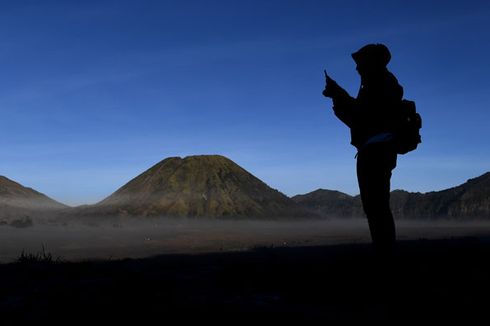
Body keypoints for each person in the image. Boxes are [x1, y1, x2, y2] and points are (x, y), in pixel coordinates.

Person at [322, 43, 403, 250]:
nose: (357, 68)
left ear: (372, 61)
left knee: (375, 206)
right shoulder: (382, 82)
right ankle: (384, 251)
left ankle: (385, 253)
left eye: (361, 63)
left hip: (375, 151)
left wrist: (337, 95)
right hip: (378, 150)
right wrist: (338, 96)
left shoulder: (378, 83)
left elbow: (361, 117)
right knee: (377, 205)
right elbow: (361, 115)